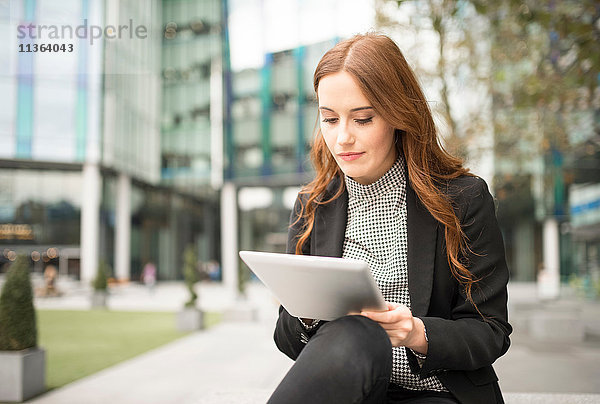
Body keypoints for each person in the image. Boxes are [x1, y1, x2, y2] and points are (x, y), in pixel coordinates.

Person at [270, 33, 511, 404]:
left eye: (363, 119)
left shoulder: (463, 198)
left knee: (360, 330)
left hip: (438, 392)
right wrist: (306, 314)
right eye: (330, 120)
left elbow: (490, 331)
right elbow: (288, 342)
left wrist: (416, 332)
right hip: (353, 388)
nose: (343, 138)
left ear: (399, 114)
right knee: (355, 332)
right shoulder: (311, 205)